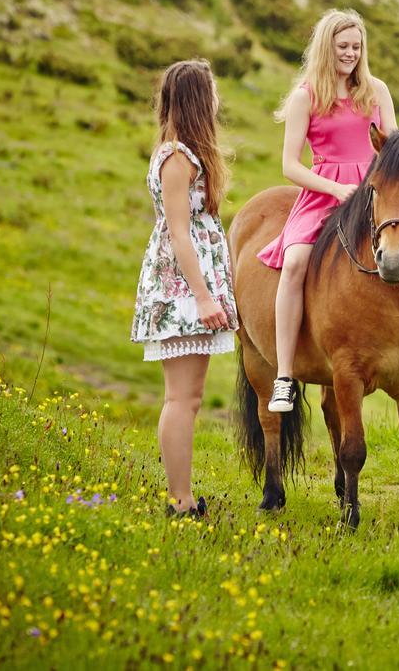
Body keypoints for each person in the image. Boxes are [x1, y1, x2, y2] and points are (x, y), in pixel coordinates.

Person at [257, 8, 399, 421]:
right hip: (326, 193)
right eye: (343, 47)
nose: (351, 54)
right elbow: (290, 165)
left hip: (378, 196)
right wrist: (335, 187)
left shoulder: (376, 90)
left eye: (357, 47)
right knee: (295, 263)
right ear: (327, 48)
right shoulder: (307, 96)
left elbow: (393, 145)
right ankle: (285, 374)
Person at [130, 59, 239, 518]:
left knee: (189, 398)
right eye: (211, 92)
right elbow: (178, 234)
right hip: (182, 289)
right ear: (199, 99)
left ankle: (184, 496)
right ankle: (179, 501)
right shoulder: (177, 159)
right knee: (181, 398)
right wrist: (203, 296)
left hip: (191, 285)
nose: (217, 101)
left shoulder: (188, 154)